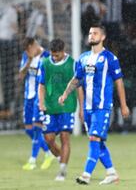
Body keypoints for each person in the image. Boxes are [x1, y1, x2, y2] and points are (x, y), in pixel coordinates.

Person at [58, 24, 130, 185]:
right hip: (88, 108)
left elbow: (119, 82)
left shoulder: (110, 58)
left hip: (102, 107)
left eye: (95, 33)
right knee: (98, 141)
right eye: (90, 33)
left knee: (94, 138)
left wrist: (124, 105)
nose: (91, 35)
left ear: (102, 37)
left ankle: (86, 174)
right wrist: (65, 94)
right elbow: (77, 80)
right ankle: (111, 173)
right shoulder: (83, 58)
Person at [38, 38, 80, 181]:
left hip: (67, 106)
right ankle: (62, 158)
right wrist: (41, 102)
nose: (54, 57)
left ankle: (62, 170)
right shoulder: (45, 63)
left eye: (57, 55)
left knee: (64, 137)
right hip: (50, 107)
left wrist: (81, 109)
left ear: (63, 51)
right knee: (48, 139)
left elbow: (78, 86)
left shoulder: (72, 64)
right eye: (53, 55)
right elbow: (41, 85)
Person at [19, 37, 54, 170]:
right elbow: (21, 76)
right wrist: (28, 60)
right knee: (29, 130)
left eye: (30, 48)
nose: (29, 51)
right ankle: (48, 153)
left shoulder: (47, 57)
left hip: (40, 98)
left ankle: (32, 160)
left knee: (37, 127)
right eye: (27, 50)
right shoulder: (26, 56)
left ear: (35, 45)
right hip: (28, 96)